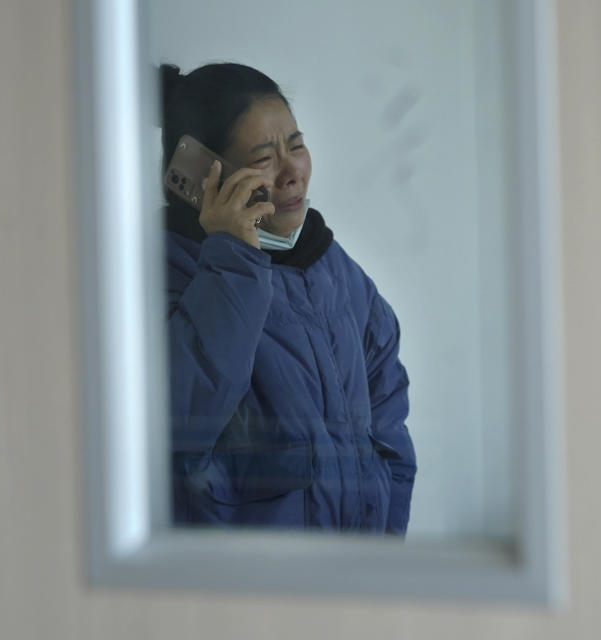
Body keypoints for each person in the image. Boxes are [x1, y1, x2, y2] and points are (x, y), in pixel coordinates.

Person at [161, 62, 416, 534]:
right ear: (201, 177)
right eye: (263, 159)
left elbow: (390, 426)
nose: (293, 170)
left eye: (296, 145)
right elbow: (182, 423)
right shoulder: (159, 278)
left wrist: (383, 547)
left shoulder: (339, 274)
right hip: (238, 593)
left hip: (352, 582)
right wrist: (232, 259)